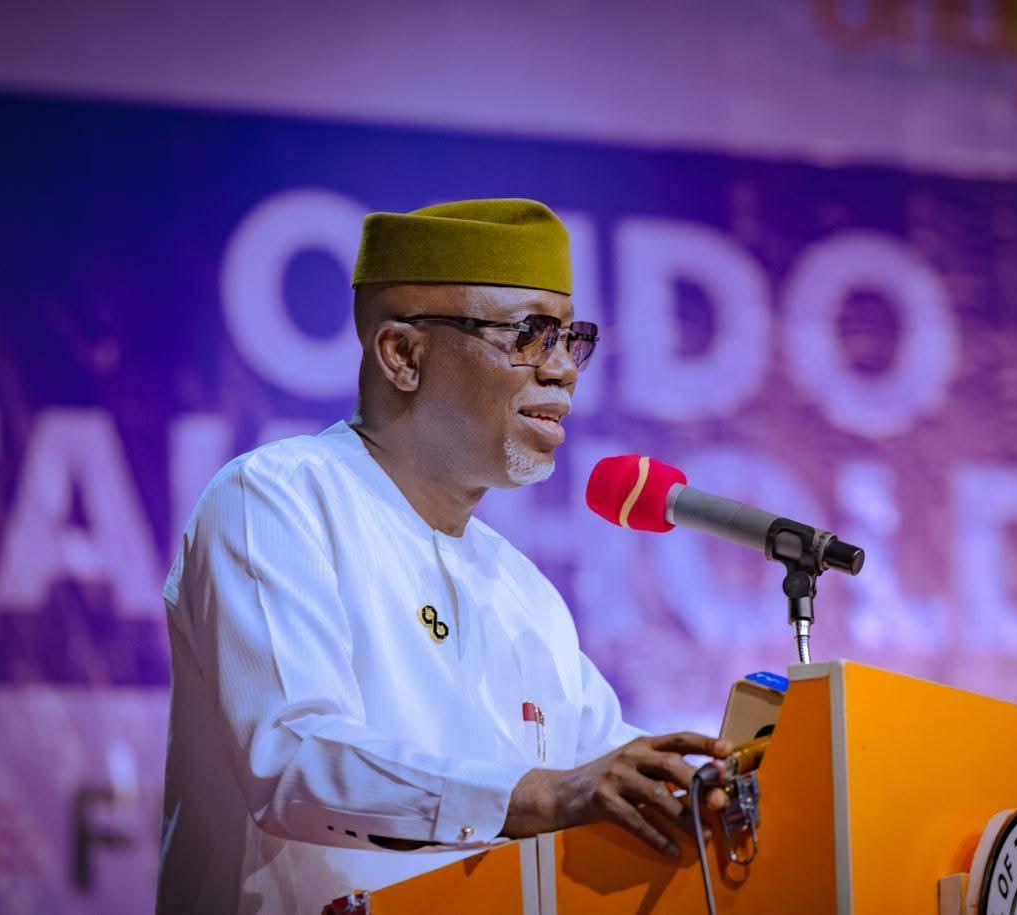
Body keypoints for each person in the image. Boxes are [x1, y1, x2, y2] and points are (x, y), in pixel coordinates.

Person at [156, 199, 729, 914]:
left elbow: (606, 771)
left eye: (570, 339)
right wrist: (536, 794)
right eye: (529, 334)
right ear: (403, 354)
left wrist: (712, 788)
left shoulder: (524, 591)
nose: (563, 372)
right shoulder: (276, 499)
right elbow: (292, 761)